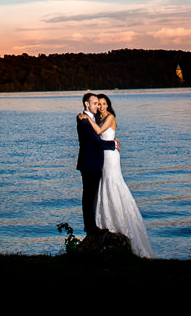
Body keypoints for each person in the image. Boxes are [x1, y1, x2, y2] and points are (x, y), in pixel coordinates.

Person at [78, 93, 154, 257]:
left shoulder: (107, 117)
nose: (100, 106)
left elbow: (98, 133)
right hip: (99, 159)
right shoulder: (90, 119)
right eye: (98, 103)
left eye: (103, 103)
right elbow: (97, 138)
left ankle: (118, 222)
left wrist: (112, 143)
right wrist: (85, 116)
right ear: (89, 105)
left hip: (110, 156)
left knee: (113, 184)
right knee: (101, 189)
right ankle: (101, 223)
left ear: (108, 105)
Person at [75, 93, 118, 236]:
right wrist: (113, 144)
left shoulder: (91, 118)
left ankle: (93, 225)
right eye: (95, 103)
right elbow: (97, 142)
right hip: (89, 163)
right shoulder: (84, 121)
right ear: (87, 104)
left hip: (95, 163)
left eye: (99, 104)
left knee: (92, 195)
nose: (98, 106)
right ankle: (90, 226)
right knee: (89, 196)